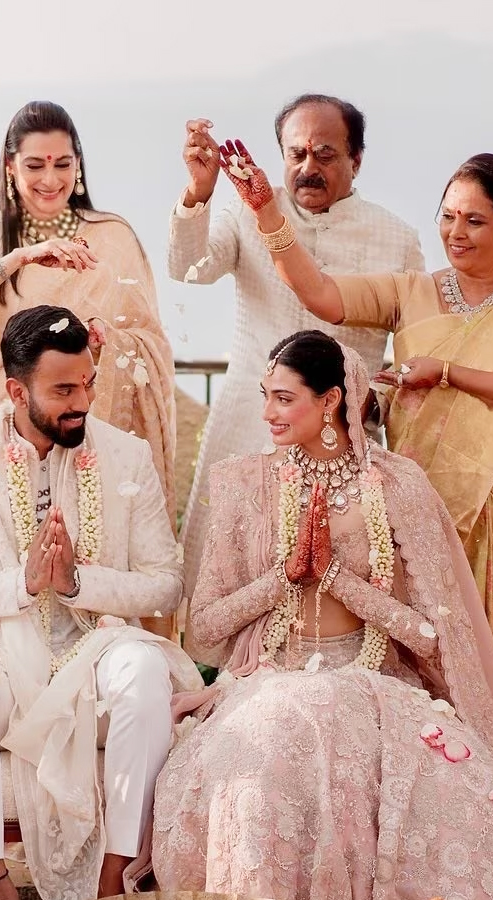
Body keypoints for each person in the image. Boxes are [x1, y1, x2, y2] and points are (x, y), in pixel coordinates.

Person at [213, 144, 493, 865]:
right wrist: (267, 211)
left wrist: (448, 372)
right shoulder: (413, 292)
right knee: (443, 664)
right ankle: (468, 838)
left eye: (475, 221)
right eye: (447, 217)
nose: (456, 233)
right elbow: (321, 294)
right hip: (432, 512)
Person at [152, 331, 493, 900]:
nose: (268, 413)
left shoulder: (398, 484)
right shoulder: (244, 482)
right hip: (271, 680)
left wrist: (338, 581)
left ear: (331, 400)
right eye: (265, 396)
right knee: (273, 748)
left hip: (374, 684)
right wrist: (286, 577)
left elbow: (432, 635)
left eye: (284, 398)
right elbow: (204, 627)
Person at [0, 306, 202, 900]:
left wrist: (77, 584)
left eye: (88, 383)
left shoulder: (126, 456)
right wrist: (20, 585)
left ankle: (115, 877)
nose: (83, 401)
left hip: (93, 660)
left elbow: (165, 583)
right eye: (64, 390)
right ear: (16, 392)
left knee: (143, 667)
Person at [169, 94, 425, 599]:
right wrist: (199, 193)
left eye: (325, 155)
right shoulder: (248, 211)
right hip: (247, 427)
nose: (309, 168)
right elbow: (188, 269)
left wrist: (371, 405)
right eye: (296, 154)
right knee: (225, 580)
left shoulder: (396, 238)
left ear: (356, 160)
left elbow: (413, 356)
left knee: (329, 592)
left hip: (341, 441)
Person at [0, 101, 177, 536]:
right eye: (35, 165)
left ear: (78, 165)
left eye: (63, 164)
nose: (51, 179)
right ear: (10, 167)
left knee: (92, 553)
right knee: (3, 557)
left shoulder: (112, 236)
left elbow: (149, 339)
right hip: (6, 427)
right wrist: (17, 258)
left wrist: (107, 339)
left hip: (90, 427)